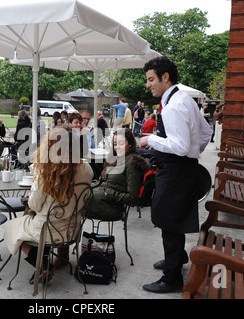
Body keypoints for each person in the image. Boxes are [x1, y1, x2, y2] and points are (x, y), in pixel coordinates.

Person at [139, 56, 212, 293]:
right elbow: (206, 132)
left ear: (165, 77)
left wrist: (151, 139)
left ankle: (171, 279)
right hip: (183, 169)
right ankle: (177, 259)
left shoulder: (174, 106)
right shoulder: (185, 99)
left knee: (169, 221)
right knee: (171, 217)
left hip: (176, 170)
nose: (148, 84)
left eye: (151, 79)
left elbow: (179, 146)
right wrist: (194, 154)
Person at [3, 126, 93, 283]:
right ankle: (52, 258)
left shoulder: (46, 171)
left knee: (12, 227)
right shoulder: (87, 169)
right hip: (72, 228)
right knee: (40, 221)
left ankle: (43, 264)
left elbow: (35, 205)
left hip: (46, 230)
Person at [53, 128, 149, 269]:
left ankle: (61, 250)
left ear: (130, 144)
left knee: (67, 204)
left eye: (121, 143)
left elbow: (133, 198)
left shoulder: (132, 163)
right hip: (100, 199)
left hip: (110, 207)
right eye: (115, 144)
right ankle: (62, 248)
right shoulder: (116, 159)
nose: (117, 147)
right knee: (67, 199)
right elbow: (105, 183)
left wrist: (109, 194)